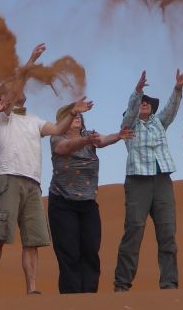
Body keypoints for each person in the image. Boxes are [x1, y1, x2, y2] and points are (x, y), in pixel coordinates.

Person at [0, 43, 94, 297]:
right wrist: (30, 61)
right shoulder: (2, 114)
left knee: (33, 240)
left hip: (33, 183)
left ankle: (32, 289)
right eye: (13, 90)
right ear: (3, 97)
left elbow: (57, 129)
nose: (21, 92)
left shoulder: (33, 119)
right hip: (8, 178)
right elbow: (13, 90)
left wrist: (73, 111)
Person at [114, 68, 183, 292]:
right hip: (138, 181)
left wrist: (177, 88)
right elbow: (130, 111)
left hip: (162, 180)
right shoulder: (128, 125)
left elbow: (171, 109)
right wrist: (138, 91)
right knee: (134, 231)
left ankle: (169, 284)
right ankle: (122, 284)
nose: (145, 104)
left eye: (148, 102)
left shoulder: (159, 123)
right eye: (142, 102)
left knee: (167, 233)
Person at [48, 104, 132, 294]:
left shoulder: (90, 135)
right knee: (69, 253)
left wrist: (117, 136)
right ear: (64, 119)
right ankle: (72, 299)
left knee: (90, 251)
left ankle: (89, 297)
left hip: (88, 203)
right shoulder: (57, 137)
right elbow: (65, 147)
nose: (78, 116)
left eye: (79, 115)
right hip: (62, 203)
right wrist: (85, 141)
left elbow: (103, 140)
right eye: (73, 114)